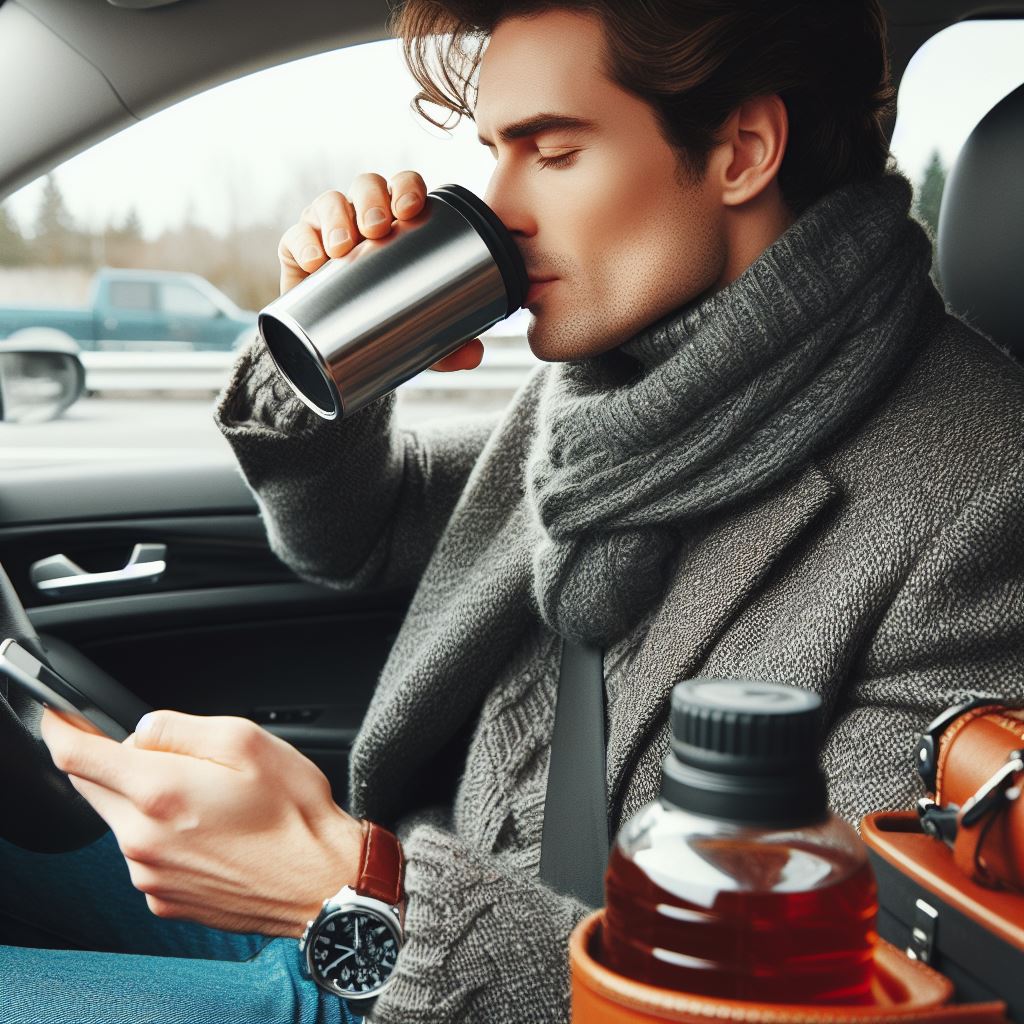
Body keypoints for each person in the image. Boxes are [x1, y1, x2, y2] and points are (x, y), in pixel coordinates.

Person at [5, 2, 1022, 1023]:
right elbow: (360, 529)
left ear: (741, 151)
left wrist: (350, 889)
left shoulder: (982, 492)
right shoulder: (616, 380)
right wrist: (327, 346)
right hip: (387, 916)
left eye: (552, 151)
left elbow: (823, 991)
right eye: (494, 151)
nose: (499, 206)